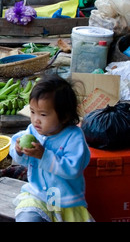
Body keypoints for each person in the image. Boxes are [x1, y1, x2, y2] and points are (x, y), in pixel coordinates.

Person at [9, 74, 95, 222]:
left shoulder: (74, 137)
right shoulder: (32, 130)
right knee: (27, 218)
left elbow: (73, 169)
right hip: (38, 196)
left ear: (64, 116)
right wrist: (18, 150)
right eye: (32, 112)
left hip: (66, 202)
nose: (36, 119)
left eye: (43, 114)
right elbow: (18, 151)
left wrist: (44, 156)